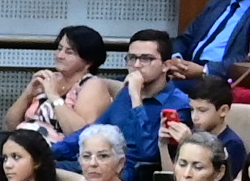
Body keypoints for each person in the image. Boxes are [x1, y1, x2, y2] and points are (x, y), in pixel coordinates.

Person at [52, 29, 187, 167]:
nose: (136, 65)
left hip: (132, 172)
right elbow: (94, 130)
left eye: (146, 59)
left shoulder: (178, 105)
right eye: (132, 58)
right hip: (102, 164)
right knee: (45, 166)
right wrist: (49, 152)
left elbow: (148, 153)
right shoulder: (125, 94)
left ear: (166, 65)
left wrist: (136, 99)